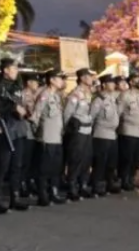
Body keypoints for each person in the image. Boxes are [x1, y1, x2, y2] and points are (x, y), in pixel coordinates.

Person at [0, 58, 27, 212]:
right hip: (5, 129)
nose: (17, 71)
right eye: (14, 69)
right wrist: (13, 107)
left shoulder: (17, 84)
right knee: (2, 166)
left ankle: (14, 198)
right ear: (6, 70)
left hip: (18, 128)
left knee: (17, 165)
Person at [29, 69, 67, 205]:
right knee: (44, 169)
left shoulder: (56, 96)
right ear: (51, 80)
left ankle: (53, 193)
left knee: (55, 168)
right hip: (47, 137)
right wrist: (38, 135)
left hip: (57, 137)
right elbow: (36, 115)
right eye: (59, 78)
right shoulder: (44, 94)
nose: (62, 81)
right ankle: (43, 195)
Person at [62, 68, 94, 200]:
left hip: (87, 130)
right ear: (82, 78)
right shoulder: (75, 94)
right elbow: (67, 114)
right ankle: (72, 187)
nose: (92, 79)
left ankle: (83, 185)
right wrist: (67, 130)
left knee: (86, 159)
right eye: (89, 76)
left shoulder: (89, 93)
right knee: (76, 159)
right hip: (78, 131)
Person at [89, 74, 121, 196]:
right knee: (100, 162)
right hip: (101, 134)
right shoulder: (98, 100)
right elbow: (91, 117)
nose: (113, 84)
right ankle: (97, 185)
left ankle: (109, 183)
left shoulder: (112, 99)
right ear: (104, 85)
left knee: (111, 162)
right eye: (110, 83)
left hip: (112, 135)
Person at [118, 73, 139, 191]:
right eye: (137, 80)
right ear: (131, 82)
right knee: (127, 158)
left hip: (138, 130)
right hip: (128, 130)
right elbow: (118, 112)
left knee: (136, 158)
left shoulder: (138, 96)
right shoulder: (125, 96)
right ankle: (124, 180)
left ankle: (131, 179)